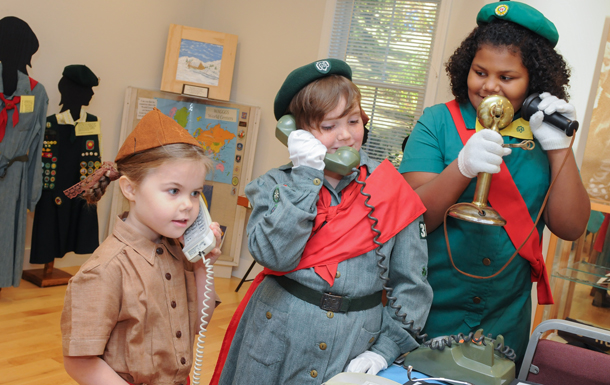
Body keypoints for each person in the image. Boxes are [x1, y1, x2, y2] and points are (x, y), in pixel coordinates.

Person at [212, 59, 432, 385]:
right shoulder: (273, 185)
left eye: (353, 121)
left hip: (353, 348)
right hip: (273, 342)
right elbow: (274, 256)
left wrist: (385, 349)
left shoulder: (392, 191)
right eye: (328, 127)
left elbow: (412, 286)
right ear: (297, 133)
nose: (345, 136)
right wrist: (305, 178)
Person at [399, 1, 590, 363]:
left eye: (506, 77)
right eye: (479, 72)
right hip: (428, 306)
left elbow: (571, 226)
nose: (489, 87)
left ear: (534, 80)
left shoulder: (545, 136)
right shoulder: (437, 122)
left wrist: (560, 150)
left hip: (504, 320)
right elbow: (414, 221)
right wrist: (462, 167)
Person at [61, 108, 222, 385]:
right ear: (130, 189)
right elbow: (79, 362)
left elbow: (199, 325)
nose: (188, 205)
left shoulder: (180, 254)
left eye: (195, 193)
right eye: (174, 190)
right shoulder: (104, 271)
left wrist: (200, 265)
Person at [30, 64, 101, 265]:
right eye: (87, 89)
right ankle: (47, 262)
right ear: (73, 90)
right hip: (53, 191)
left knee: (77, 225)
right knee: (49, 226)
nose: (91, 94)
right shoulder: (50, 124)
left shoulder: (92, 123)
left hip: (80, 191)